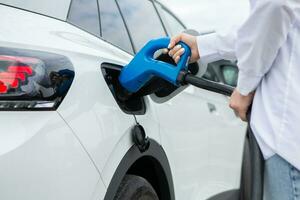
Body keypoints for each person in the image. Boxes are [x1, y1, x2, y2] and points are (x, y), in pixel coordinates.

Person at [167, 0, 300, 199]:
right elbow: (260, 26)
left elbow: (274, 5)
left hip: (289, 132)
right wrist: (202, 45)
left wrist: (245, 87)